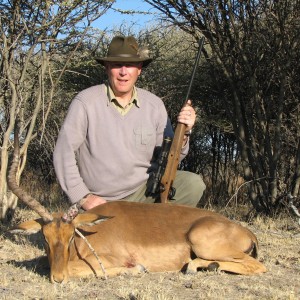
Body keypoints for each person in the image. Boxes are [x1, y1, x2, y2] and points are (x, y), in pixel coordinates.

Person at [53, 35, 206, 210]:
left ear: (139, 69)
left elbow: (171, 157)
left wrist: (185, 131)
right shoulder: (85, 102)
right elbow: (63, 153)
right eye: (117, 65)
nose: (124, 72)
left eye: (130, 65)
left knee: (193, 185)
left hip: (143, 193)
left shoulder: (154, 105)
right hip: (101, 201)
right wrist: (83, 197)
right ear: (107, 68)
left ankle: (157, 230)